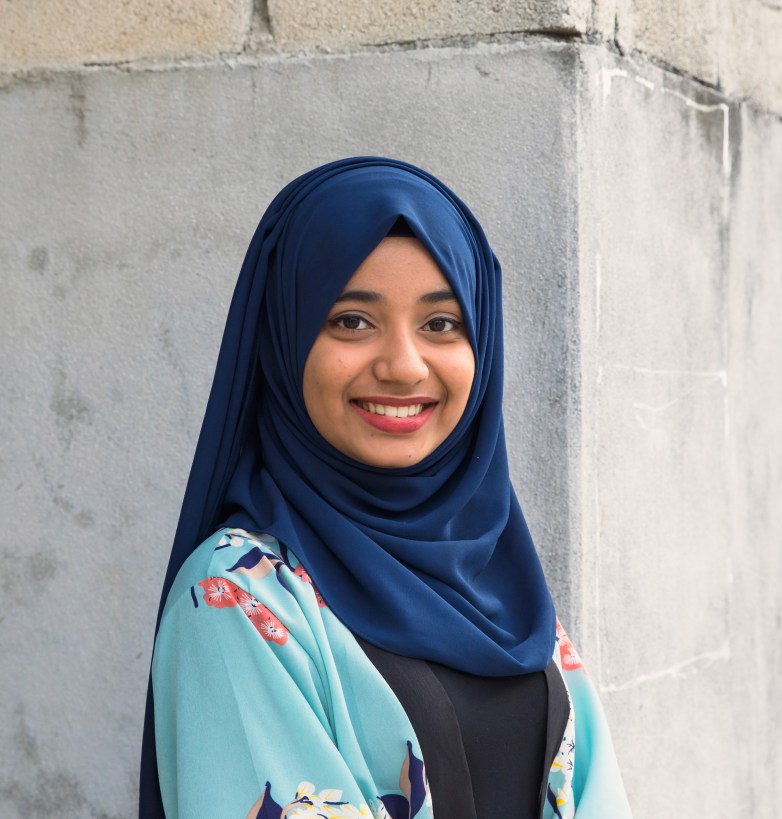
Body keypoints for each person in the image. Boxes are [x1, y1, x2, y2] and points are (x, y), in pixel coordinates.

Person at [139, 157, 631, 818]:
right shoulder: (238, 594)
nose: (403, 366)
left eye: (441, 324)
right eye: (351, 320)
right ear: (283, 340)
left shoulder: (493, 578)